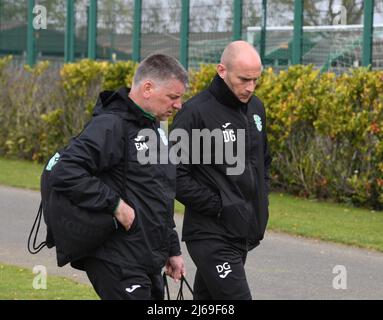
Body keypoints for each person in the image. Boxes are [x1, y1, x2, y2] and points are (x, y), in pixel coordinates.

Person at [50, 54, 187, 300]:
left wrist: (172, 249)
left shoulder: (153, 128)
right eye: (173, 97)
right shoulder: (111, 124)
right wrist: (114, 204)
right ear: (147, 88)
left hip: (147, 258)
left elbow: (159, 194)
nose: (178, 105)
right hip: (117, 257)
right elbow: (66, 169)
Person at [171, 41, 272, 300]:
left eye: (255, 80)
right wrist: (220, 205)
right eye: (244, 79)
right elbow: (175, 176)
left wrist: (261, 201)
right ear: (222, 70)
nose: (250, 87)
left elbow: (263, 162)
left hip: (243, 232)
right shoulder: (194, 112)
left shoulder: (256, 108)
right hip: (210, 235)